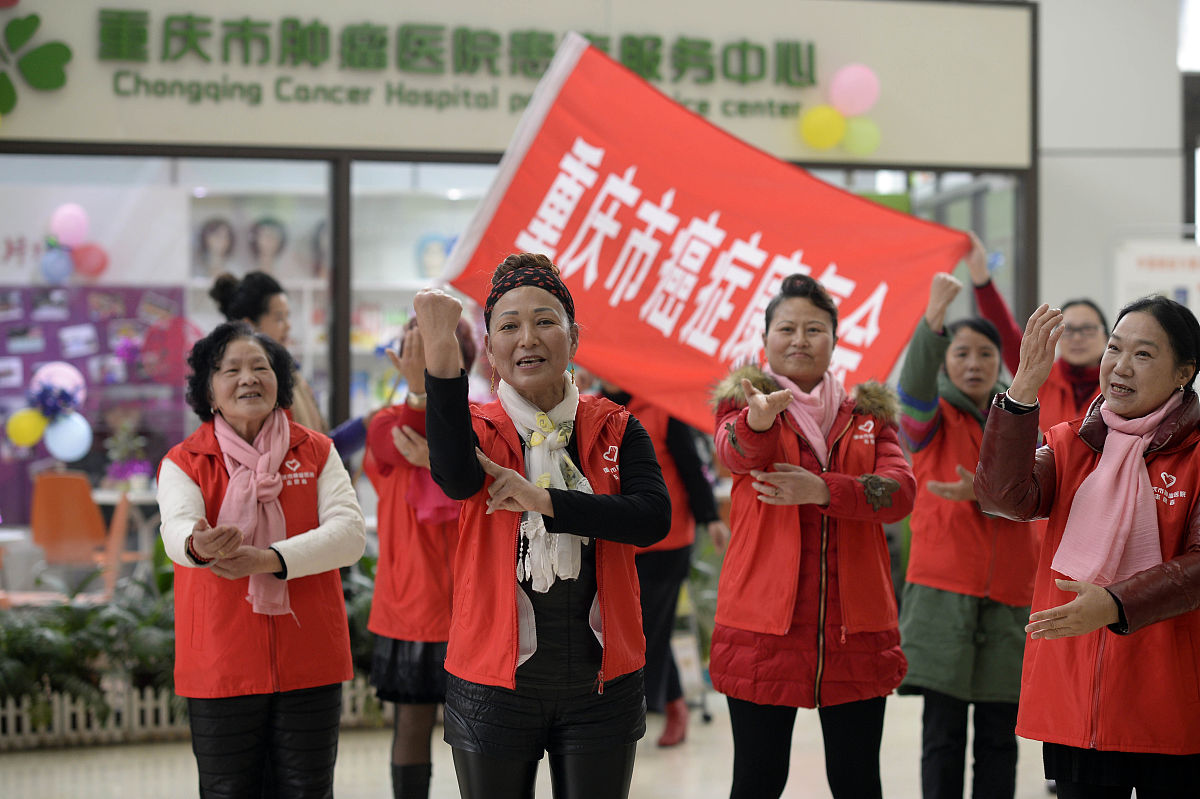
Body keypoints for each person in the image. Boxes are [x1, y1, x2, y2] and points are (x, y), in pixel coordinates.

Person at [416, 252, 671, 799]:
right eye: (509, 326)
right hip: (493, 681)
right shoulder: (479, 429)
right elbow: (458, 479)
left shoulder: (616, 428)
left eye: (545, 321)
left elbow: (652, 519)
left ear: (574, 337)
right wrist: (440, 351)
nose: (527, 337)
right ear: (490, 347)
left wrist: (544, 499)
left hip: (603, 681)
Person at [976, 296, 1200, 798]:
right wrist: (1021, 392)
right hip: (1078, 701)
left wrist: (1116, 603)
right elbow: (1001, 497)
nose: (1120, 366)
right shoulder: (1071, 444)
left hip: (1172, 702)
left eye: (1143, 355)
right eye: (1115, 349)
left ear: (1184, 371)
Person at [710, 273, 916, 799]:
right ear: (765, 340)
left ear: (835, 339)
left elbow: (899, 493)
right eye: (787, 328)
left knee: (857, 782)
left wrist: (822, 490)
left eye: (814, 328)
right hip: (764, 628)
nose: (800, 339)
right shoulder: (743, 407)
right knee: (757, 781)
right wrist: (758, 422)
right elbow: (735, 453)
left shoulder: (869, 416)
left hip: (856, 627)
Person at [156, 321, 366, 797]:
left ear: (279, 382)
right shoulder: (184, 460)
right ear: (209, 391)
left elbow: (349, 535)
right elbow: (176, 527)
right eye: (231, 370)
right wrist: (198, 544)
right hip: (219, 662)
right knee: (227, 790)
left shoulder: (316, 451)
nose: (248, 377)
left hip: (310, 656)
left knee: (308, 789)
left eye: (260, 367)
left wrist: (268, 558)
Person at [896, 272, 1041, 799]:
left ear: (999, 362)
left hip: (1010, 595)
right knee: (943, 735)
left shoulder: (1021, 418)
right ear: (945, 361)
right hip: (942, 595)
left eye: (984, 353)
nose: (974, 363)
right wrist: (933, 318)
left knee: (1001, 740)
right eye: (960, 354)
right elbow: (911, 387)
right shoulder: (927, 418)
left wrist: (984, 497)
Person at [364, 316, 477, 799]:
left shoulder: (482, 423)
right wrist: (417, 392)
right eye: (417, 346)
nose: (425, 356)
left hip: (475, 604)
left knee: (480, 730)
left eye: (434, 346)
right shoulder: (385, 422)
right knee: (411, 725)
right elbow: (395, 441)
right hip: (410, 602)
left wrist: (436, 452)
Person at [596, 378, 730, 748]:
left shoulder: (661, 408)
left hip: (667, 542)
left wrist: (710, 518)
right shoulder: (595, 409)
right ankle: (667, 706)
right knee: (632, 630)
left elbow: (691, 468)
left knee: (649, 630)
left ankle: (670, 708)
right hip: (619, 542)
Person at [210, 271, 371, 457]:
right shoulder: (252, 391)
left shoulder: (292, 376)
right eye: (279, 318)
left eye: (288, 317)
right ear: (249, 327)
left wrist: (364, 425)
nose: (288, 326)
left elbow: (321, 449)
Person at [967, 233, 1107, 429]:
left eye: (1087, 330)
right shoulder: (1038, 373)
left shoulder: (1117, 384)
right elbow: (1004, 330)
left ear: (1107, 337)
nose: (1077, 338)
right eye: (1068, 330)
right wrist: (980, 276)